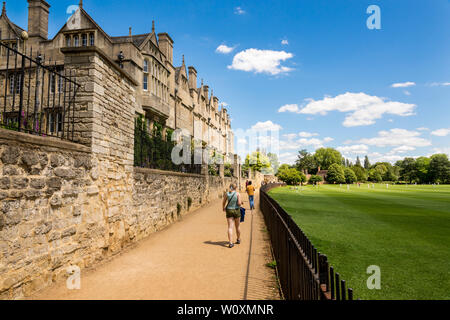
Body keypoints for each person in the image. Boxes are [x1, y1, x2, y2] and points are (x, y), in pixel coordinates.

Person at [222, 184, 242, 249]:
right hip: (236, 210)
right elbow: (239, 203)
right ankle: (238, 239)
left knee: (230, 227)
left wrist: (223, 208)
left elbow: (224, 202)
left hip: (229, 210)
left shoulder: (227, 194)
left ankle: (230, 243)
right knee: (238, 226)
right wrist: (241, 203)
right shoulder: (237, 194)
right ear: (235, 187)